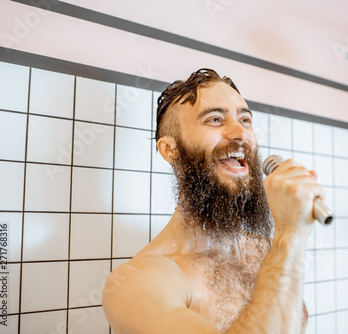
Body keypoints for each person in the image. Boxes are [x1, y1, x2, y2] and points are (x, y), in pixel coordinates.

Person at [102, 68, 326, 334]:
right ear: (169, 149)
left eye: (245, 119)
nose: (239, 132)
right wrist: (290, 235)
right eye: (215, 119)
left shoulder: (263, 249)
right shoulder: (138, 282)